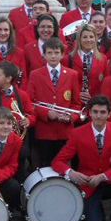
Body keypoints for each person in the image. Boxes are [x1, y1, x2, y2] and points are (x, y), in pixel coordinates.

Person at [51, 95, 111, 221]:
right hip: (89, 184)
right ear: (89, 113)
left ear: (109, 114)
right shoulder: (77, 133)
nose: (99, 116)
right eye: (95, 112)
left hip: (109, 181)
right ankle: (97, 210)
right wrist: (71, 173)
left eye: (103, 112)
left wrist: (104, 176)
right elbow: (57, 161)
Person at [27, 37, 81, 166]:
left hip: (65, 131)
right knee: (45, 164)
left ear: (62, 54)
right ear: (44, 54)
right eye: (49, 53)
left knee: (64, 165)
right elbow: (29, 102)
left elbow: (76, 104)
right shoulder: (35, 74)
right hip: (44, 131)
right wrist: (46, 113)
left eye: (57, 52)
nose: (53, 56)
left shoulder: (72, 74)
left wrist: (70, 118)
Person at [62, 24, 109, 103]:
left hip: (96, 106)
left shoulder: (103, 59)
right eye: (84, 37)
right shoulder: (67, 59)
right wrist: (77, 94)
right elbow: (63, 85)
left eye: (91, 37)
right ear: (79, 39)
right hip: (76, 104)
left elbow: (106, 83)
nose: (88, 40)